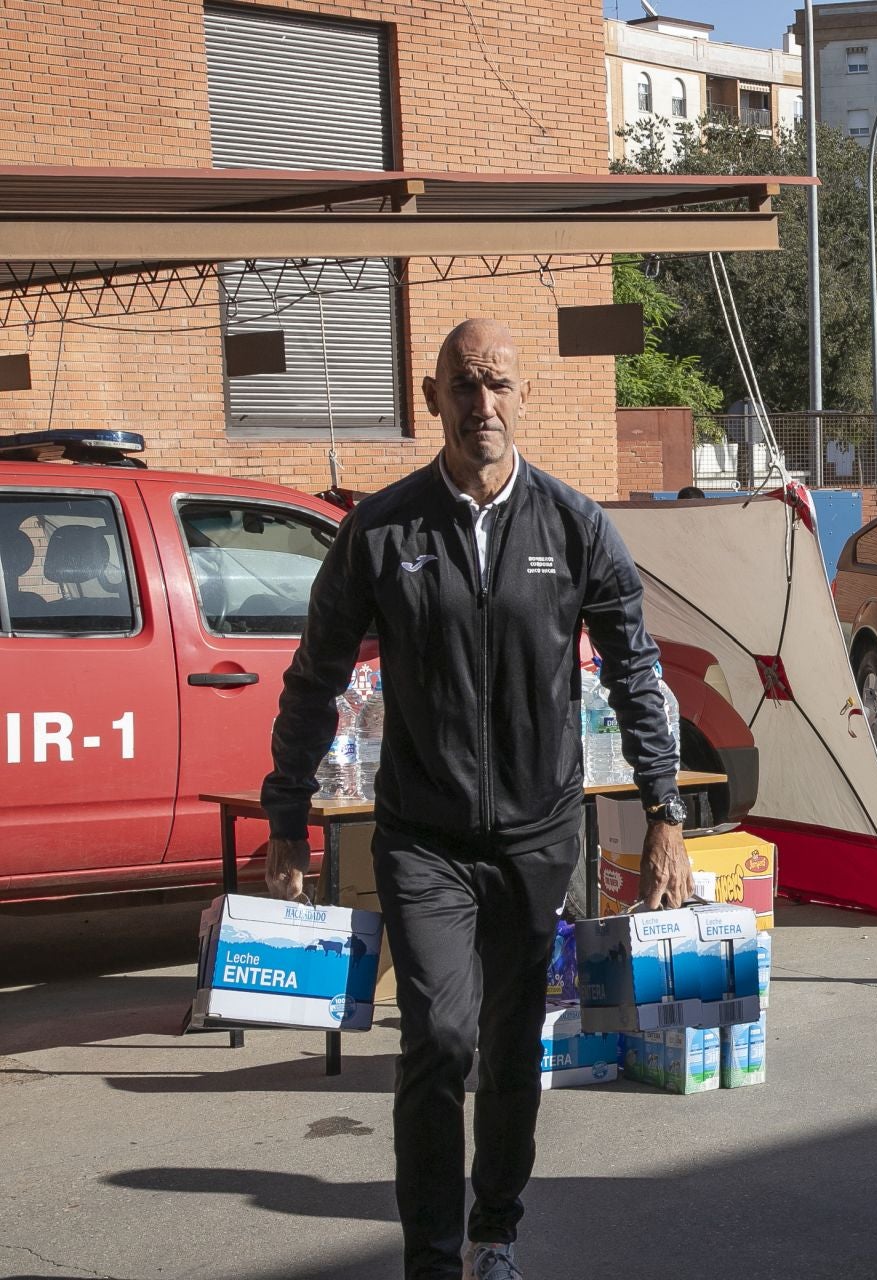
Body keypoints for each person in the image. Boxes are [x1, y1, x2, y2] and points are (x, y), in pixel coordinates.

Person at [260, 319, 690, 1280]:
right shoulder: (384, 528)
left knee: (508, 1047)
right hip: (424, 841)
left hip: (539, 838)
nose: (481, 404)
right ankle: (432, 1257)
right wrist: (287, 811)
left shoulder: (575, 526)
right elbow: (315, 674)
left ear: (522, 395)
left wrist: (666, 809)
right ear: (432, 398)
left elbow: (636, 669)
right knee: (440, 1038)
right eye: (464, 386)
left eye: (497, 384)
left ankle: (495, 1228)